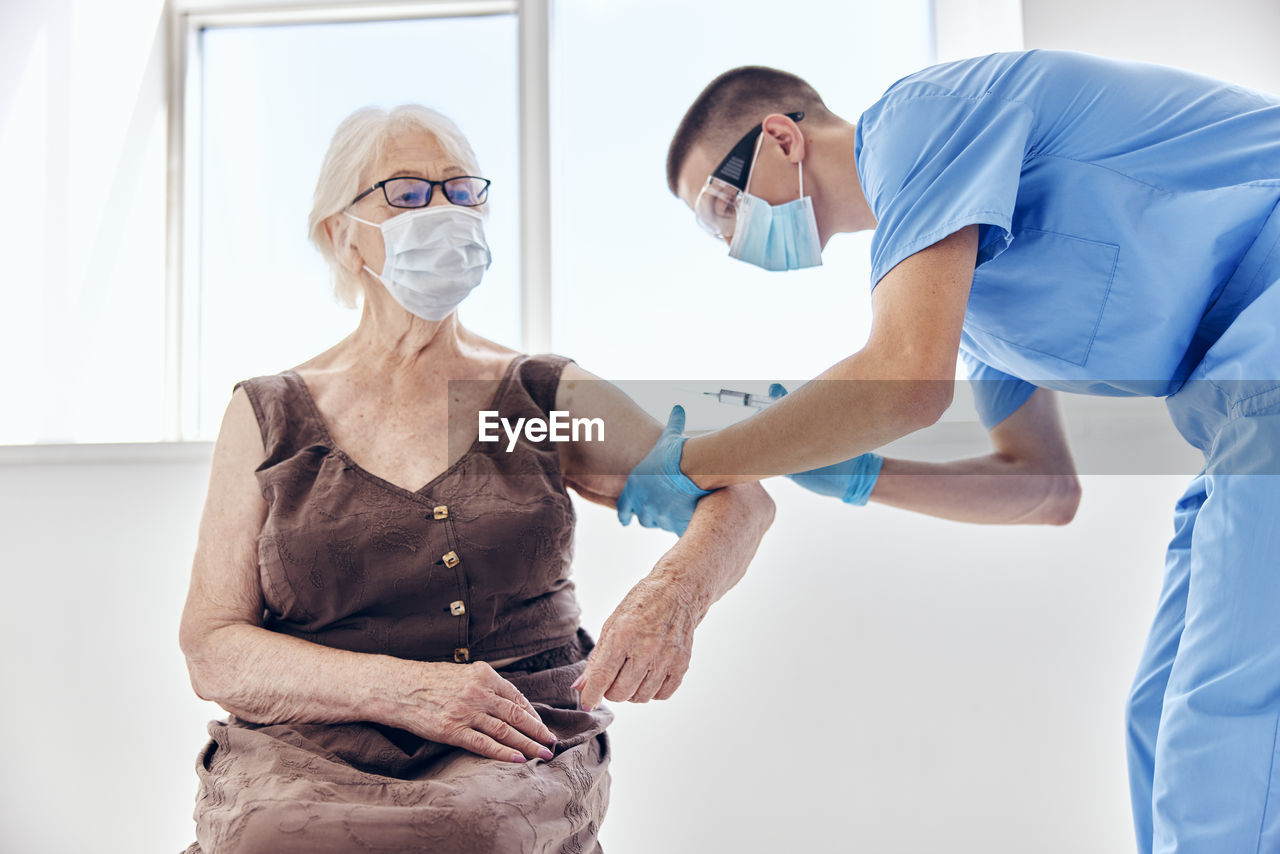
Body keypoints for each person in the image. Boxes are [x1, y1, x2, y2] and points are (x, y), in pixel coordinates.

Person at [588, 50, 1280, 854]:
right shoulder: (975, 301)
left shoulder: (920, 116)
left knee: (1225, 717)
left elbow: (903, 382)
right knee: (1158, 717)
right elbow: (1043, 486)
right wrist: (864, 476)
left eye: (719, 206)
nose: (729, 239)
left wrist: (695, 462)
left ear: (781, 137)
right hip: (1240, 410)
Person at [177, 103, 774, 854]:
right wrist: (404, 690)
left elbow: (737, 494)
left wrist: (674, 595)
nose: (443, 211)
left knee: (469, 831)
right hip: (307, 745)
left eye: (461, 191)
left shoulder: (539, 401)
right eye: (407, 192)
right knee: (276, 835)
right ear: (341, 234)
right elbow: (212, 646)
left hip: (509, 735)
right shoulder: (268, 414)